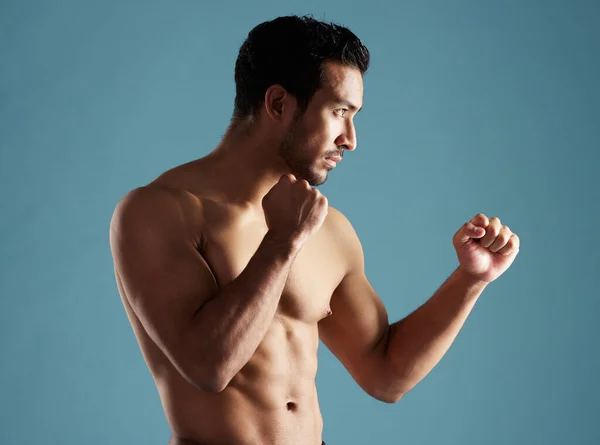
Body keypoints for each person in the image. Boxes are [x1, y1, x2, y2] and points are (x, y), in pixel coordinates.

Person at [109, 15, 520, 445]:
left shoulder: (328, 229)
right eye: (339, 111)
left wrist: (471, 279)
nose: (351, 139)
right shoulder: (159, 211)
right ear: (278, 104)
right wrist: (283, 242)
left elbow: (384, 374)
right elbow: (208, 368)